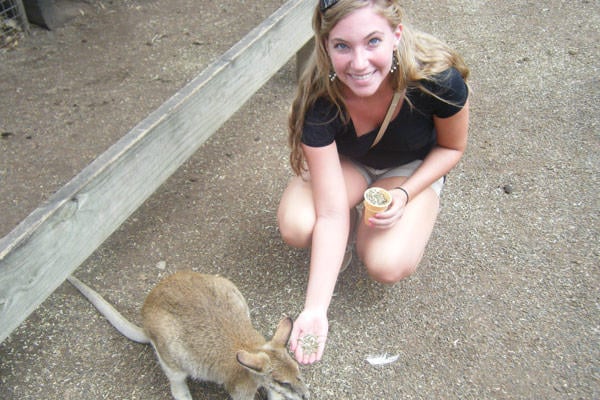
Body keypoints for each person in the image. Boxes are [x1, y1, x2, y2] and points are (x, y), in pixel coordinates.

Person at [277, 0, 470, 365]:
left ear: (396, 35)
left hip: (408, 168)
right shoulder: (318, 101)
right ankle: (343, 246)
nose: (360, 63)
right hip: (347, 164)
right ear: (325, 45)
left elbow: (451, 147)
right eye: (342, 46)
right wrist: (316, 309)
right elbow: (332, 213)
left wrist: (404, 192)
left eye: (373, 42)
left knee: (384, 263)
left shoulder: (438, 80)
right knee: (298, 225)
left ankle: (372, 231)